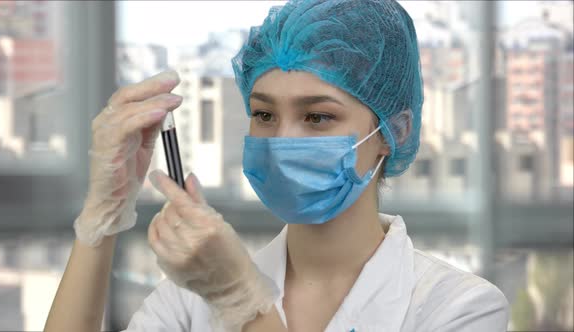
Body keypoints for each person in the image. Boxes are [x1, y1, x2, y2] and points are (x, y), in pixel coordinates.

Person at [44, 0, 510, 331]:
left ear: (396, 130)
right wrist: (101, 219)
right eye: (264, 114)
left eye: (318, 116)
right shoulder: (192, 298)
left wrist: (244, 305)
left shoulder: (459, 308)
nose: (284, 139)